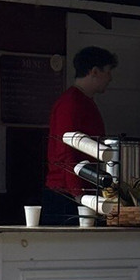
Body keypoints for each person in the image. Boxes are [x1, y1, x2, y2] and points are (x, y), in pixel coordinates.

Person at [43, 46, 117, 225]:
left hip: (80, 191)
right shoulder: (71, 103)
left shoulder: (83, 101)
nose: (110, 78)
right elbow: (65, 151)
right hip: (67, 195)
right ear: (94, 72)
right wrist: (79, 194)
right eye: (108, 72)